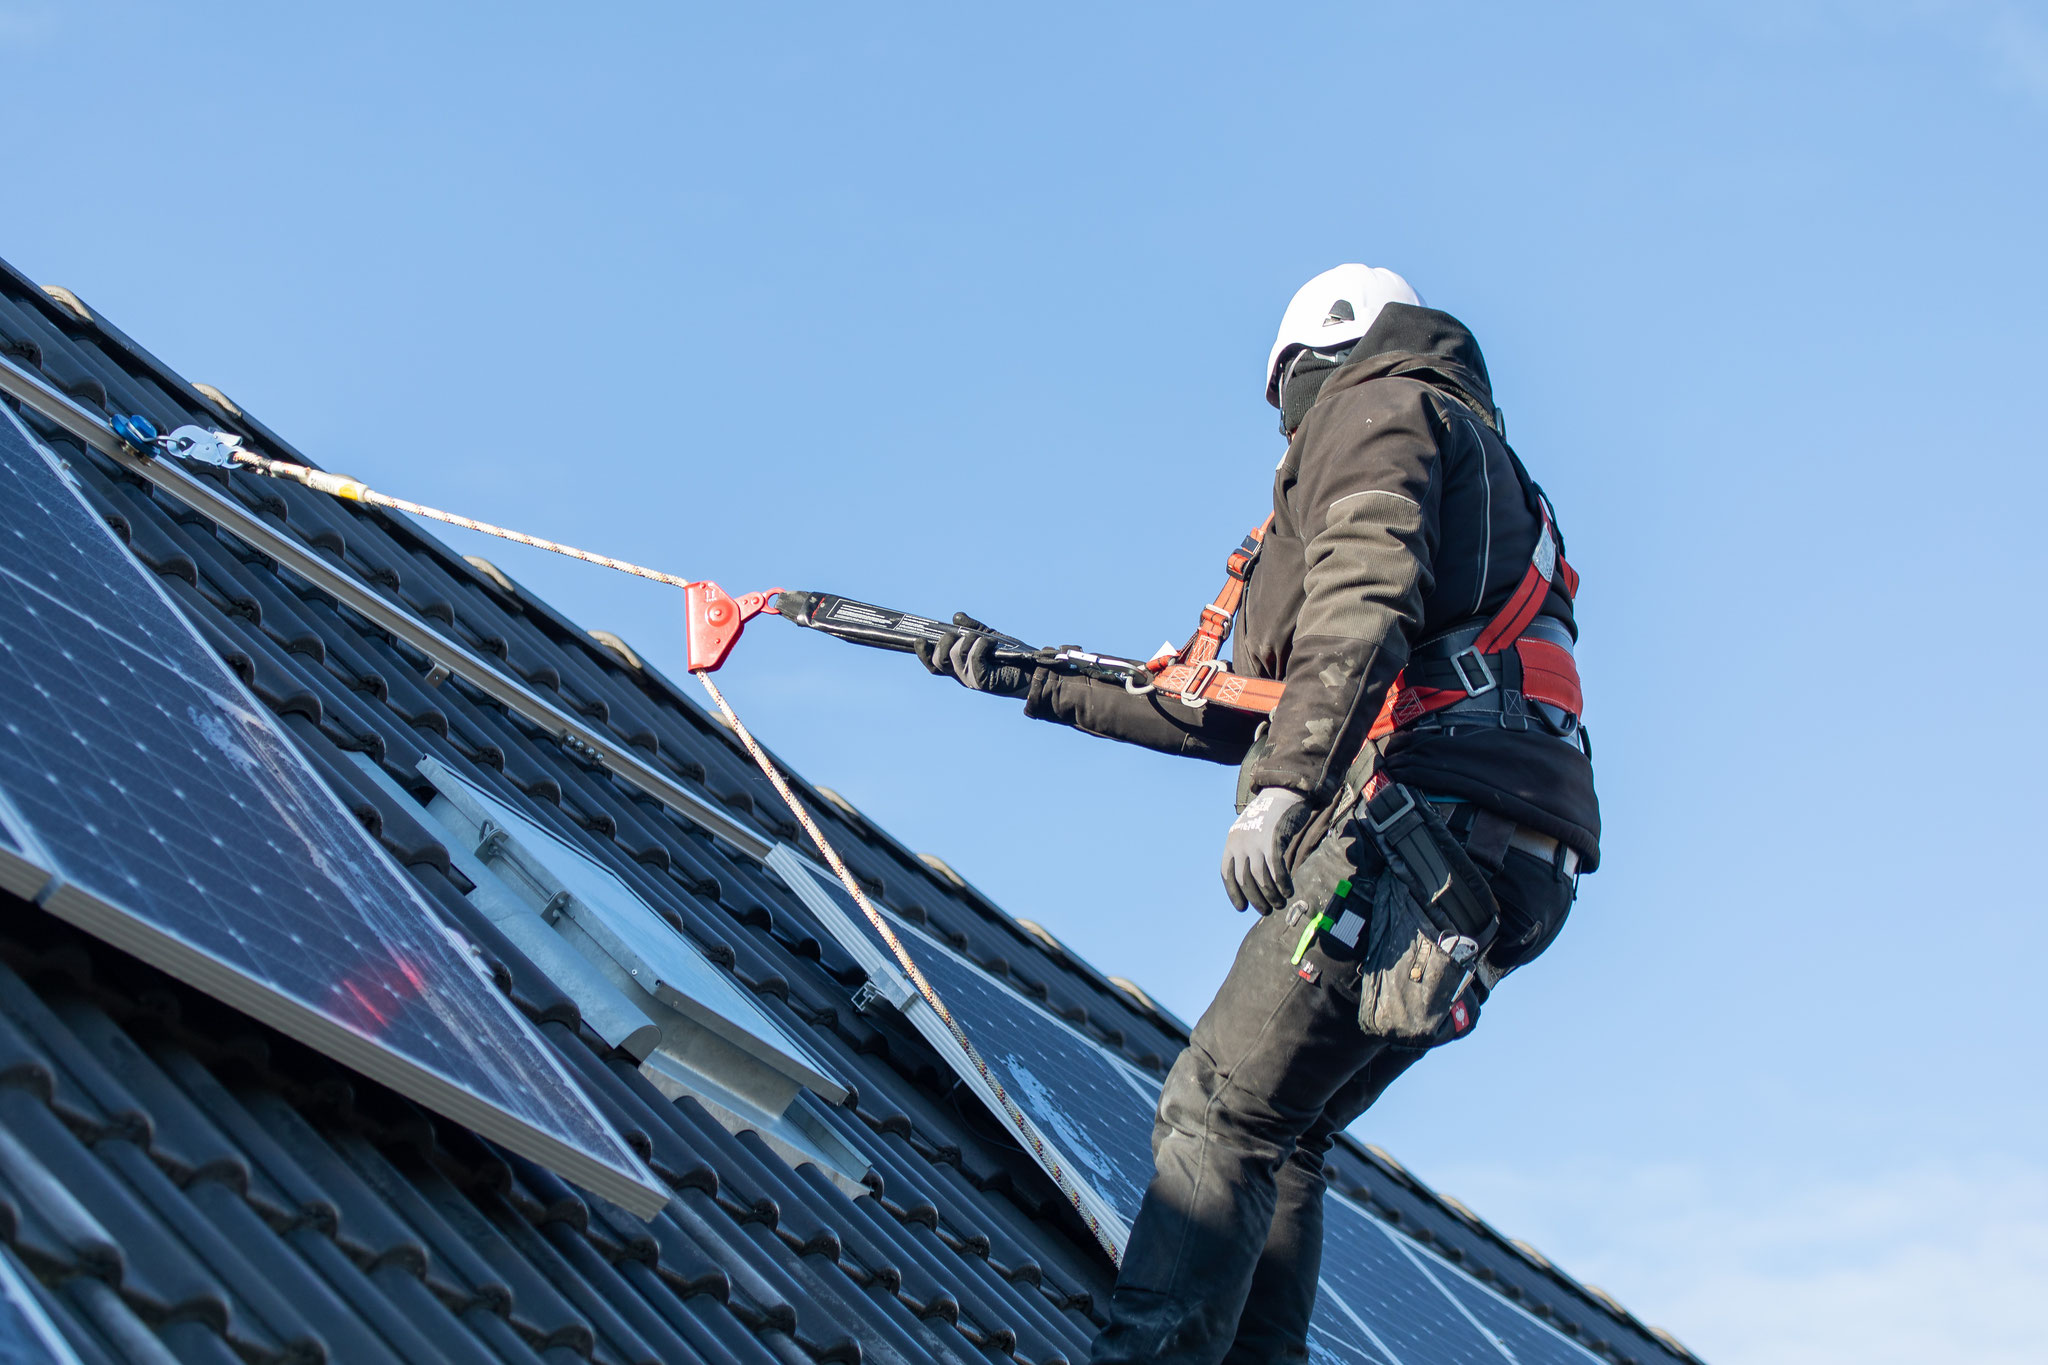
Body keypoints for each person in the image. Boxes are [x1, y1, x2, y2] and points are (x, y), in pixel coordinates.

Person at [917, 264, 1600, 1365]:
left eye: (1282, 395)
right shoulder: (1474, 460)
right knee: (1279, 1137)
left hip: (1417, 834)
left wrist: (1284, 793)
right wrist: (1020, 675)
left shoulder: (1378, 408)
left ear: (1310, 363)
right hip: (1509, 864)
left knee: (1217, 1107)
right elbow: (1246, 706)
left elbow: (1356, 602)